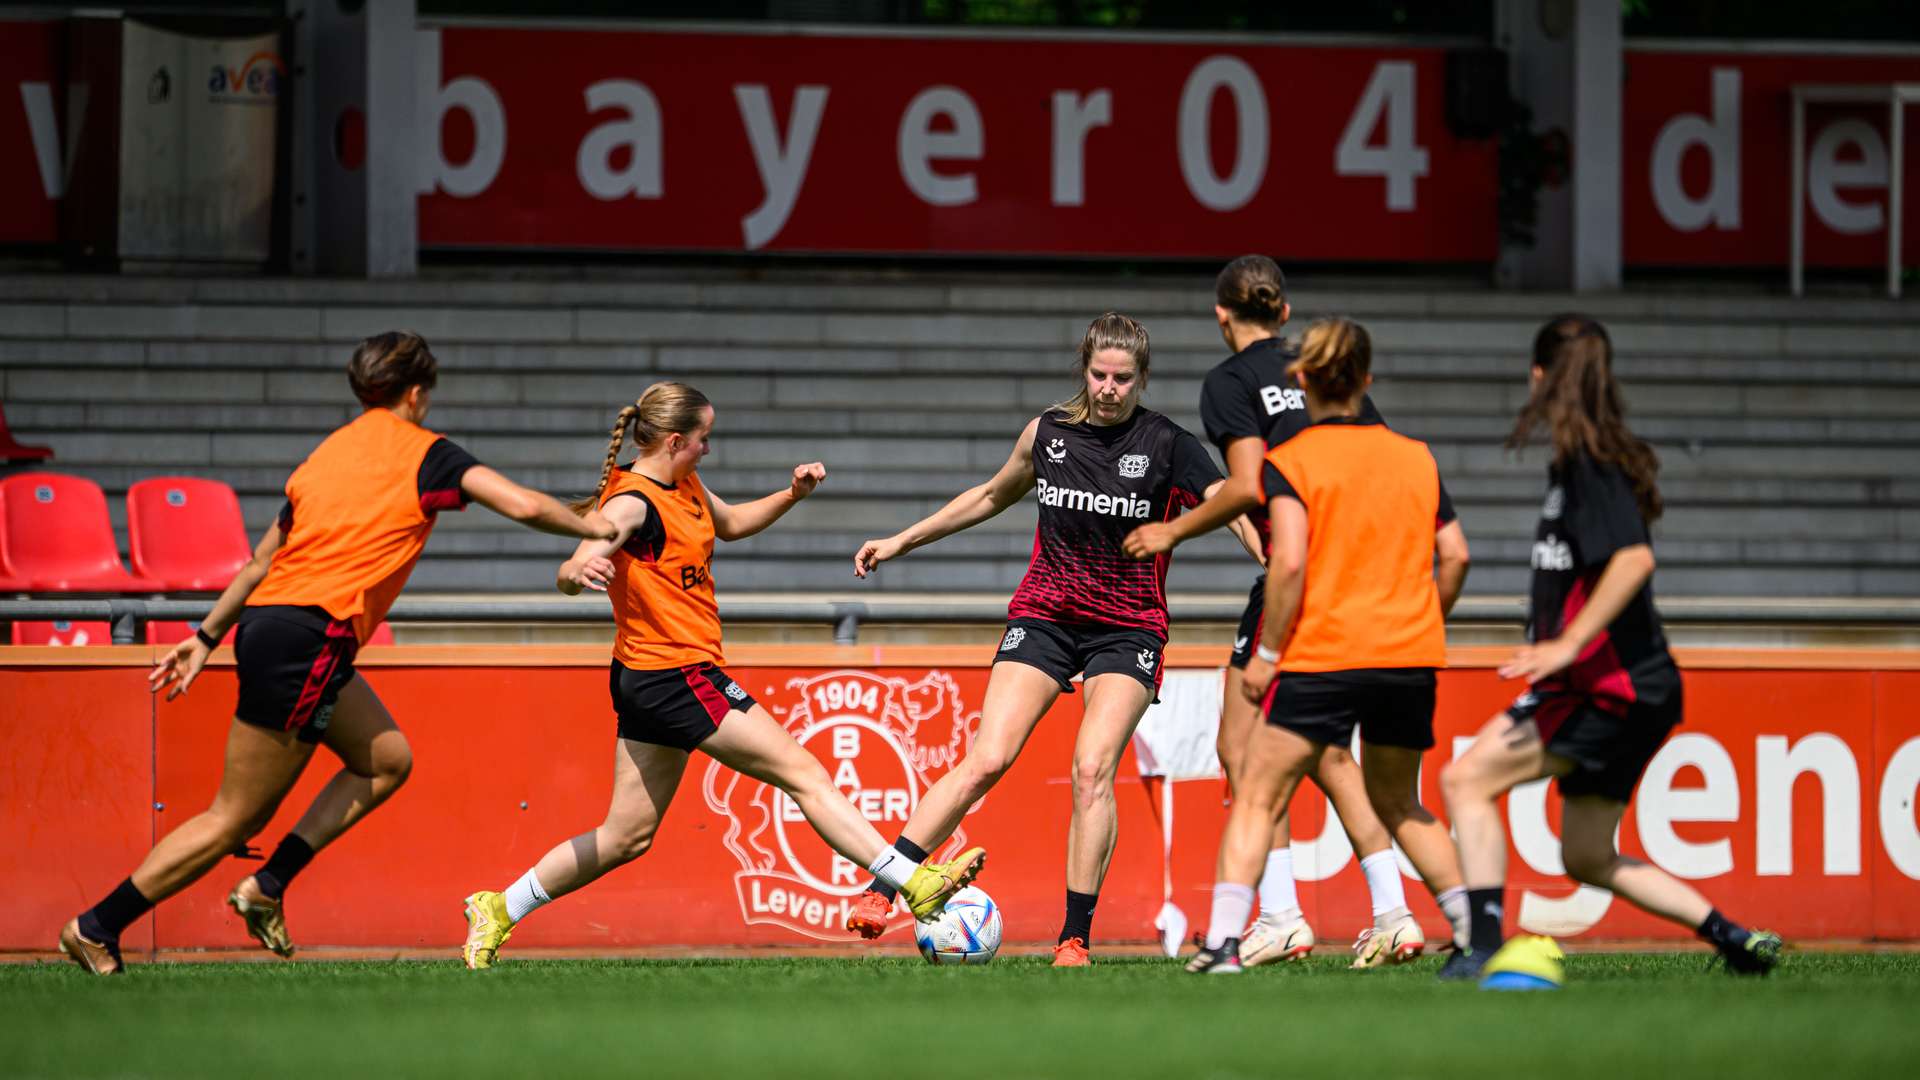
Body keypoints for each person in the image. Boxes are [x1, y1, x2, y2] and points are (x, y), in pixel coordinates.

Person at [58, 331, 616, 975]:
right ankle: (97, 925)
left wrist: (205, 635)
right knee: (233, 818)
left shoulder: (324, 456)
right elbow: (521, 503)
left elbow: (263, 559)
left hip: (273, 623)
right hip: (312, 636)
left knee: (385, 759)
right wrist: (594, 525)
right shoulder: (426, 454)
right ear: (417, 393)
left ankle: (266, 886)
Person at [459, 382, 984, 969]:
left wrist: (791, 493)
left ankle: (499, 907)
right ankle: (911, 882)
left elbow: (730, 523)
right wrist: (575, 572)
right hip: (675, 673)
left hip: (648, 677)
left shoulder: (681, 482)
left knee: (625, 836)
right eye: (704, 439)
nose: (709, 450)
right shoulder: (633, 501)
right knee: (803, 771)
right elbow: (580, 555)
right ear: (677, 440)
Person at [843, 313, 1261, 966]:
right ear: (1084, 369)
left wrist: (1269, 550)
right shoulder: (1048, 434)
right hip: (1044, 617)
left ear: (1142, 378)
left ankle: (1074, 937)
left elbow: (1229, 498)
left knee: (1092, 769)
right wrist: (901, 539)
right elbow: (988, 497)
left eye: (1124, 377)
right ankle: (883, 887)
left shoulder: (1168, 443)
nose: (1110, 387)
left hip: (1127, 629)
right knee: (987, 759)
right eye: (1100, 374)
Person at [1123, 255, 1464, 966]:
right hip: (1379, 597)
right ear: (1285, 315)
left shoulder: (1233, 384)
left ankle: (1271, 919)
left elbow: (1249, 486)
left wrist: (1173, 529)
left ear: (1222, 314)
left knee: (1245, 756)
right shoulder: (1337, 382)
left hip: (1301, 580)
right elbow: (1428, 524)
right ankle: (1406, 914)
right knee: (1340, 764)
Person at [1436, 316, 1783, 980]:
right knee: (1587, 857)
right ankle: (1733, 938)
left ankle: (1480, 948)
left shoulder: (1589, 465)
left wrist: (1566, 643)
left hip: (1608, 689)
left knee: (1465, 779)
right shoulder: (1586, 458)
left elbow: (1632, 559)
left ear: (1539, 377)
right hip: (1633, 690)